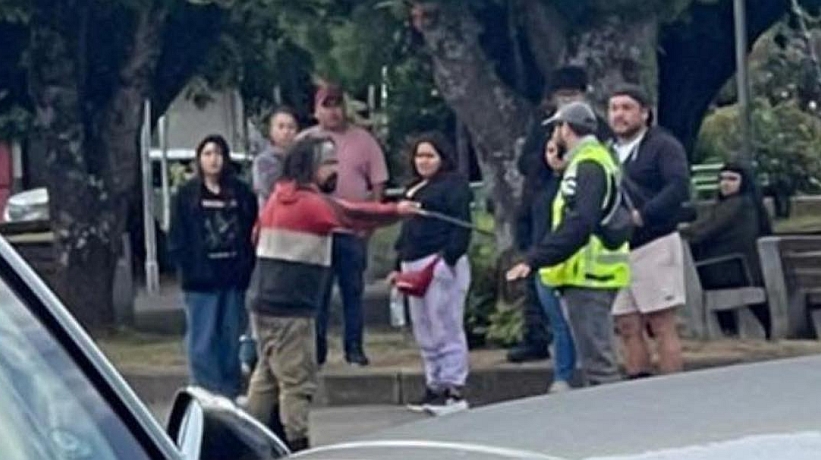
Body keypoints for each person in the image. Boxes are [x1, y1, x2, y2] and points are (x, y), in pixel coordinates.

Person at [244, 137, 419, 451]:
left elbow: (255, 235)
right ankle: (297, 446)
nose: (336, 169)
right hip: (292, 307)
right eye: (329, 163)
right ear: (311, 166)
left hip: (263, 301)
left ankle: (248, 440)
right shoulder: (311, 204)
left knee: (267, 375)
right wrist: (397, 210)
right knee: (297, 382)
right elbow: (352, 215)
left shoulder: (276, 199)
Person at [506, 102, 630, 387]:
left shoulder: (587, 165)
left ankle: (616, 413)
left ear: (566, 128)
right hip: (590, 273)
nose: (553, 135)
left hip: (588, 274)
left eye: (556, 128)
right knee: (594, 360)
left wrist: (537, 257)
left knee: (598, 365)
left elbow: (580, 222)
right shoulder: (592, 160)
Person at [509, 66, 611, 364]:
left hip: (574, 207)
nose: (567, 100)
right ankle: (535, 334)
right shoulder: (543, 126)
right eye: (562, 95)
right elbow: (524, 164)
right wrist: (547, 159)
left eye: (573, 94)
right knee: (537, 268)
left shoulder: (595, 128)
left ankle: (573, 349)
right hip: (542, 202)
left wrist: (567, 163)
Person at [299, 83, 390, 366]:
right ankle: (318, 350)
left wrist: (371, 219)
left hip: (352, 230)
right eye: (326, 106)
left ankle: (354, 348)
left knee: (353, 292)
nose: (333, 112)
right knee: (318, 295)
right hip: (318, 233)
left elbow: (378, 183)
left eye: (337, 105)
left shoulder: (364, 140)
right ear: (316, 111)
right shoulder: (306, 141)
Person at [608, 85, 691, 379]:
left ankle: (672, 385)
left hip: (654, 241)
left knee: (660, 322)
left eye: (626, 108)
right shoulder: (607, 151)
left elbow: (678, 186)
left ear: (644, 113)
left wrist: (644, 214)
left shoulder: (663, 145)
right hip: (617, 248)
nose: (619, 115)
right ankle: (638, 382)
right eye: (614, 108)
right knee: (626, 324)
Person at [168, 134, 258, 398]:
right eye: (207, 154)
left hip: (233, 277)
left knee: (230, 335)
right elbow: (177, 236)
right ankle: (205, 389)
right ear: (199, 159)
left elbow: (251, 230)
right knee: (203, 338)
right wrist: (186, 266)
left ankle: (229, 387)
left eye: (218, 153)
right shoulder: (186, 195)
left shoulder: (241, 193)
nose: (213, 159)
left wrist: (246, 266)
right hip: (201, 280)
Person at [390, 132, 472, 415]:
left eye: (430, 156)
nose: (423, 161)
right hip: (411, 262)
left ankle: (453, 386)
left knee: (446, 325)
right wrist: (397, 264)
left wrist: (447, 260)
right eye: (419, 156)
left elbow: (461, 227)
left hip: (439, 262)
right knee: (424, 328)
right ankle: (433, 383)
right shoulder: (413, 187)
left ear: (442, 158)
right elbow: (406, 230)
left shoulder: (454, 186)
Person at [681, 161, 773, 336]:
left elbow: (705, 230)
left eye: (732, 179)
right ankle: (731, 330)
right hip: (736, 269)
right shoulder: (740, 204)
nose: (725, 183)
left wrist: (676, 233)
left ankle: (728, 331)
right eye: (722, 179)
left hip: (732, 270)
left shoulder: (737, 204)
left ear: (743, 182)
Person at [535, 139, 577, 392]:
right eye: (550, 150)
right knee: (558, 323)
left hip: (573, 262)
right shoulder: (541, 186)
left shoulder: (580, 182)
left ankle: (570, 373)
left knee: (573, 322)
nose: (555, 156)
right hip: (544, 263)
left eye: (561, 150)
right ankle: (563, 374)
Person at [253, 106, 299, 208]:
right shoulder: (263, 160)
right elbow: (270, 189)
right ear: (271, 131)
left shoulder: (304, 158)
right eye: (281, 127)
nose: (286, 132)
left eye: (291, 127)